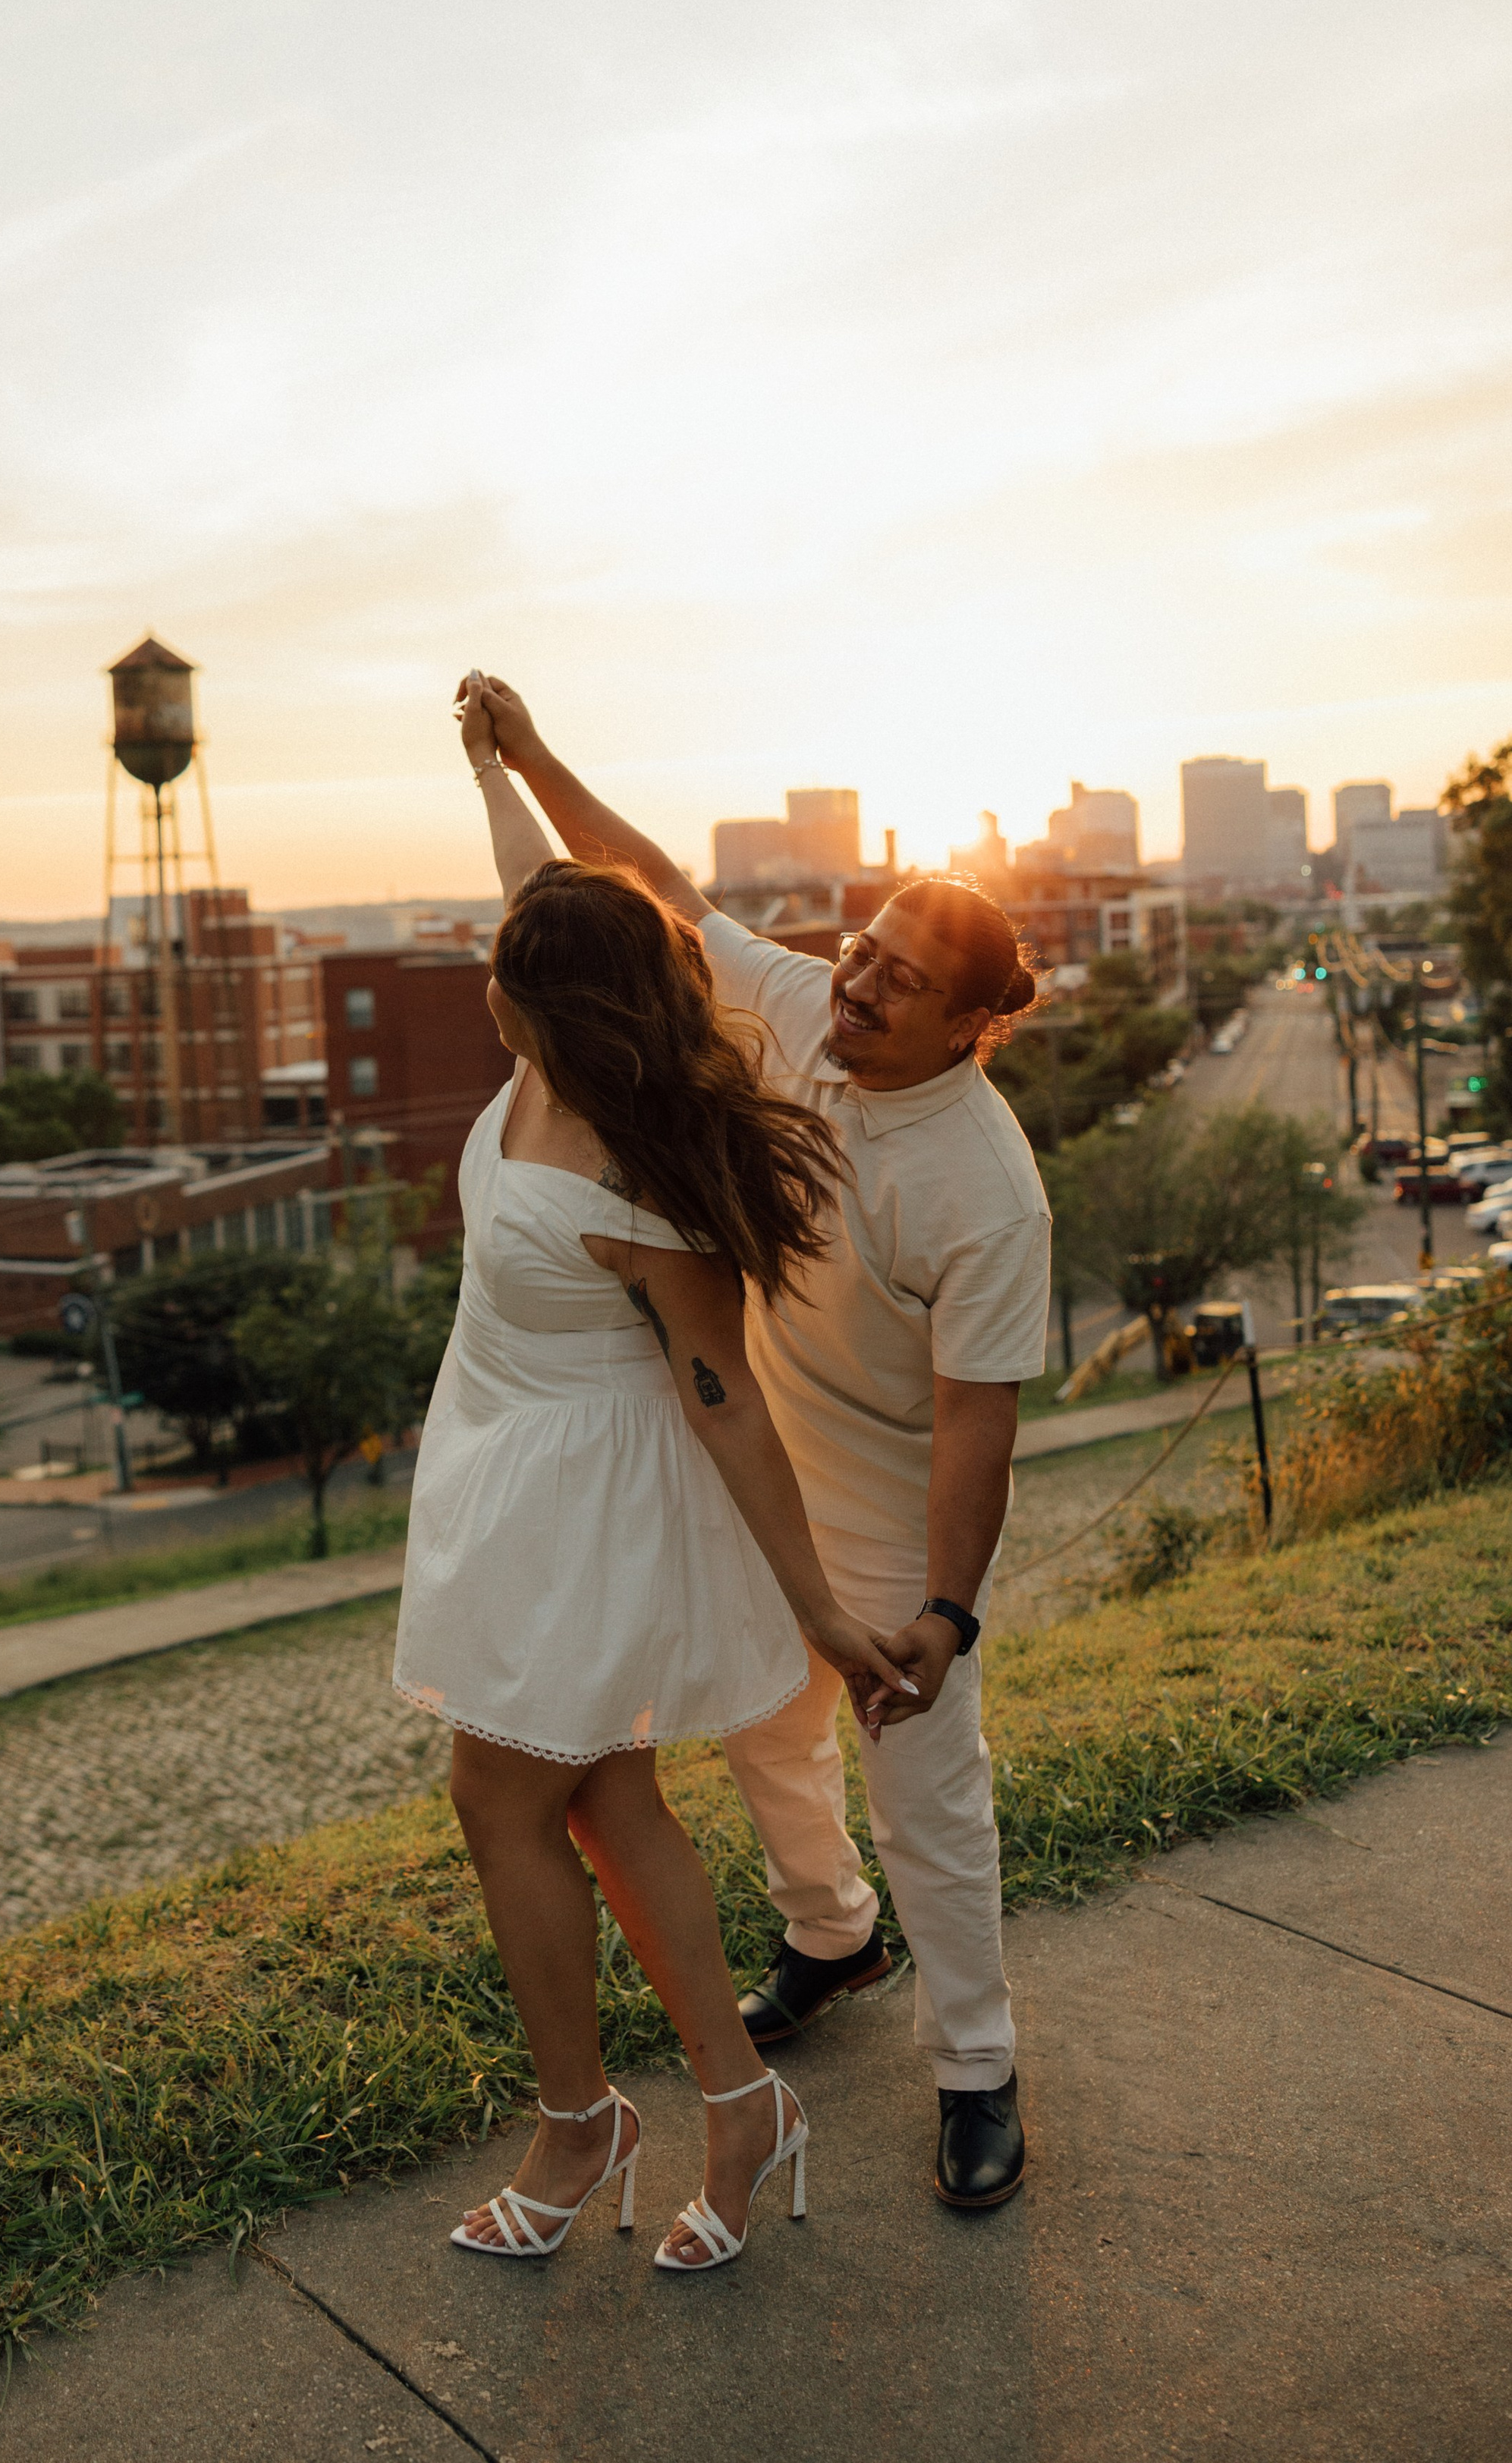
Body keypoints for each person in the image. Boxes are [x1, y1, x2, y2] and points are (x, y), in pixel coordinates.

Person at [461, 677, 1051, 2213]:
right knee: (755, 1724)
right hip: (740, 1453)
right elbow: (660, 890)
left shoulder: (986, 1190)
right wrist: (531, 757)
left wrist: (939, 1613)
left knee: (924, 1777)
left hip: (887, 1496)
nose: (854, 989)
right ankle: (827, 1935)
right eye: (861, 952)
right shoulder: (798, 1003)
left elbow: (979, 1417)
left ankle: (976, 2067)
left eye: (899, 984)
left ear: (973, 1025)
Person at [395, 676, 912, 2274]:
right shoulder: (559, 1031)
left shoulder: (633, 1171)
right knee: (604, 1799)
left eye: (501, 978)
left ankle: (578, 2118)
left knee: (499, 1795)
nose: (489, 989)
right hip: (503, 1465)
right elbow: (531, 891)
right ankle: (736, 2102)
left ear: (545, 1004)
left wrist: (819, 1609)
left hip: (585, 1507)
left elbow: (726, 1402)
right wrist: (498, 764)